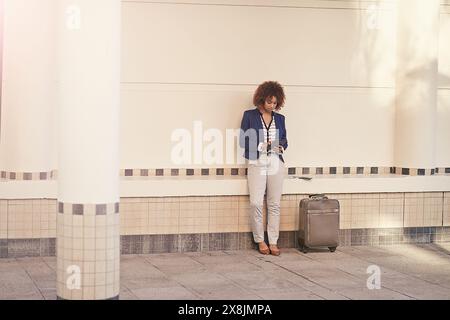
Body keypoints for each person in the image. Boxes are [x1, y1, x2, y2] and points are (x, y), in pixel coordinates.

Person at [239, 81, 288, 256]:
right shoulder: (249, 116)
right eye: (269, 102)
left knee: (274, 203)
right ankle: (260, 239)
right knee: (256, 202)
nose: (272, 105)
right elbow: (243, 140)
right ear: (261, 99)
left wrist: (280, 147)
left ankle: (273, 241)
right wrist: (263, 145)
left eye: (275, 103)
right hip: (256, 163)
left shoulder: (280, 119)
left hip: (276, 163)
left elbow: (284, 141)